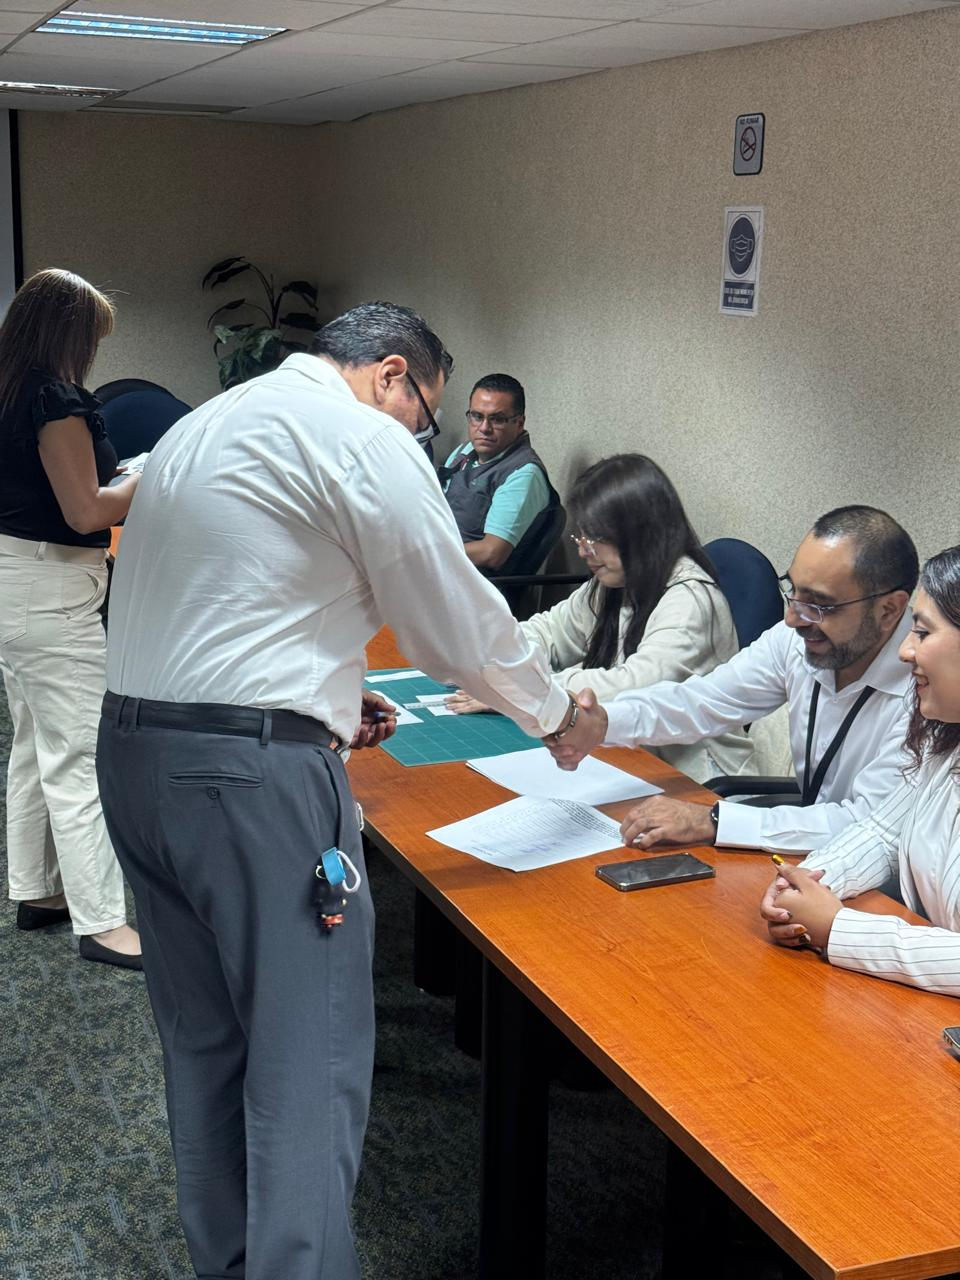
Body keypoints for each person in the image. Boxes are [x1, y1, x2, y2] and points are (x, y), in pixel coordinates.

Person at [95, 302, 595, 1280]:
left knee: (204, 1044)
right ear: (392, 374)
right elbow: (454, 617)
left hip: (138, 757)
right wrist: (553, 714)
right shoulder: (361, 432)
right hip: (251, 784)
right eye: (429, 415)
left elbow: (231, 594)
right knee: (305, 1059)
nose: (425, 436)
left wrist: (327, 686)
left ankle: (231, 1262)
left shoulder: (206, 423)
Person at [547, 506, 919, 855]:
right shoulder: (798, 640)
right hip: (806, 856)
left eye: (819, 605)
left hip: (879, 878)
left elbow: (871, 826)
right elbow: (705, 700)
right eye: (793, 591)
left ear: (889, 610)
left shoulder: (927, 689)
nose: (793, 619)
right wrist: (603, 723)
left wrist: (713, 820)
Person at [446, 453, 754, 782]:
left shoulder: (691, 599)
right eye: (581, 537)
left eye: (594, 539)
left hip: (695, 778)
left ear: (640, 533)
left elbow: (636, 684)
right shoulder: (613, 582)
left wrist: (525, 688)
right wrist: (495, 658)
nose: (583, 551)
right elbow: (550, 631)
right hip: (627, 755)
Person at [0, 268, 141, 968]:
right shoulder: (53, 398)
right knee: (83, 755)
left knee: (35, 743)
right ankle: (103, 923)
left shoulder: (9, 392)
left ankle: (39, 891)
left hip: (15, 580)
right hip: (50, 588)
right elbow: (86, 511)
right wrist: (146, 481)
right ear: (68, 334)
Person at [760, 545, 960, 995]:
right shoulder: (947, 736)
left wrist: (838, 929)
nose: (905, 651)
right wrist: (809, 882)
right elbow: (885, 832)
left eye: (923, 633)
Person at [438, 372, 558, 571]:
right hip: (441, 562)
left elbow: (491, 553)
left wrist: (428, 552)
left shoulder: (523, 474)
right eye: (477, 416)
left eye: (497, 419)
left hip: (471, 578)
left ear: (519, 423)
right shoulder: (464, 451)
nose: (484, 428)